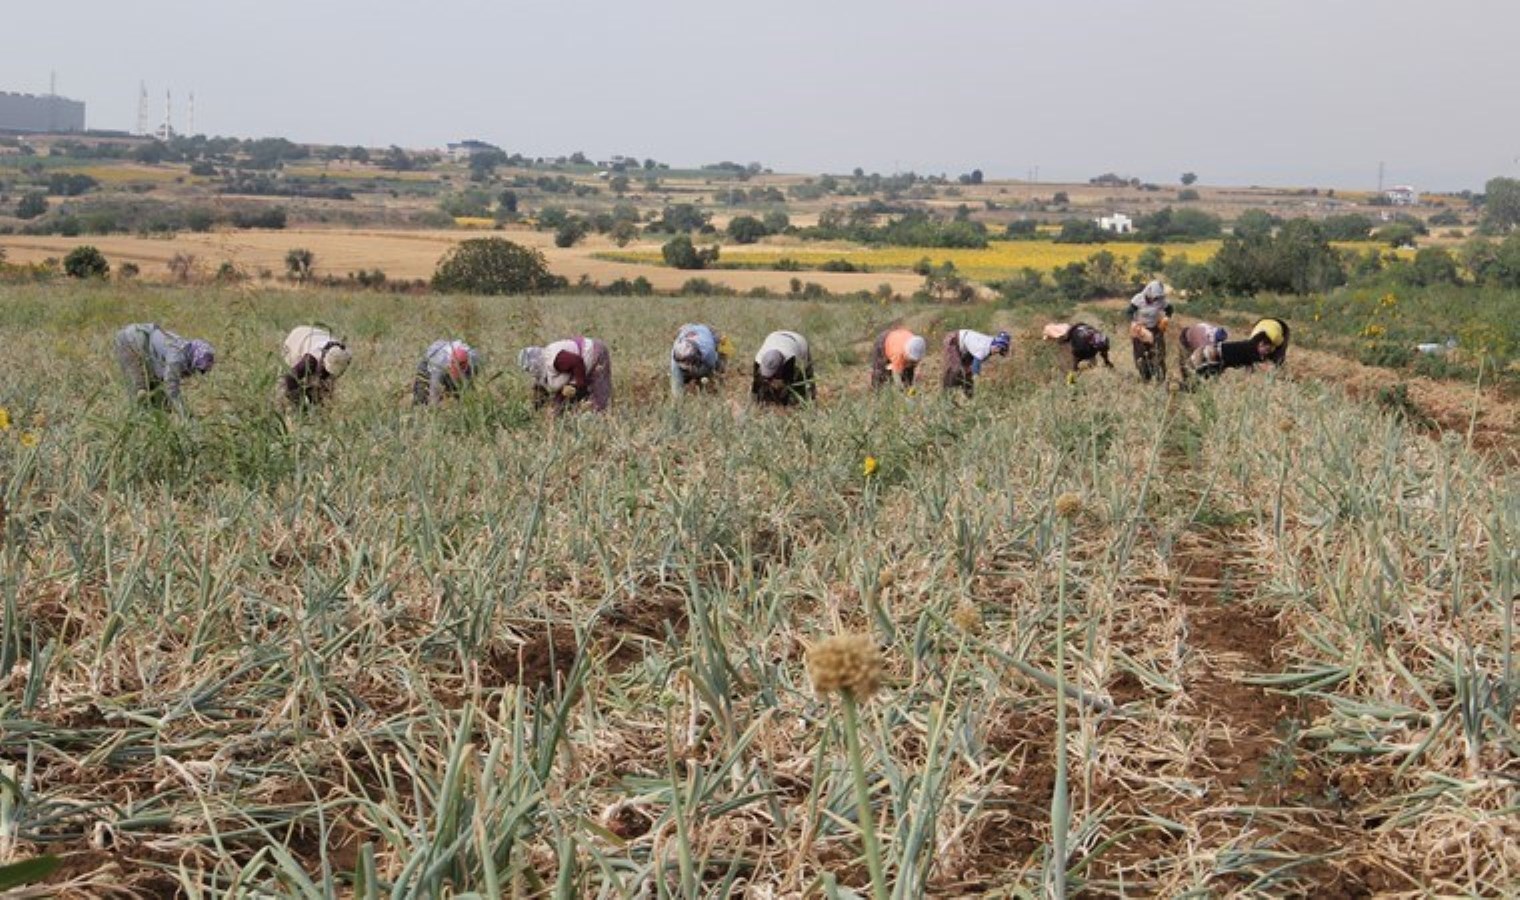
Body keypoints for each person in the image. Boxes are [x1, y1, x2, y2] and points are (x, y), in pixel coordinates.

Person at [112, 323, 215, 415]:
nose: (197, 373)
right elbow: (172, 389)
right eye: (198, 369)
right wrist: (185, 415)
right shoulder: (176, 358)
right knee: (140, 390)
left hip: (146, 345)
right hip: (129, 341)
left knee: (159, 399)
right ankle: (137, 420)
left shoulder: (185, 348)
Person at [518, 335, 613, 412]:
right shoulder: (542, 373)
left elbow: (577, 362)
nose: (530, 371)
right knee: (558, 407)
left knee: (599, 402)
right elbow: (540, 394)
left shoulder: (554, 359)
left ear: (535, 363)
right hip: (579, 367)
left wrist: (578, 387)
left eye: (529, 368)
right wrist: (536, 410)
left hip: (595, 353)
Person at [1184, 319, 1292, 380]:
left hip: (1216, 356)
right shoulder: (1252, 351)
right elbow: (1263, 368)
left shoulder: (1249, 347)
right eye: (1266, 350)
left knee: (1207, 376)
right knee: (1199, 375)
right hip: (1212, 355)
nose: (1266, 354)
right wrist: (1280, 377)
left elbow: (1249, 368)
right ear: (1261, 344)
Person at [281, 325, 352, 407]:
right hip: (296, 340)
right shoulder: (310, 360)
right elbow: (289, 379)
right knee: (287, 391)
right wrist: (301, 404)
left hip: (314, 335)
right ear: (323, 361)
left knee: (321, 388)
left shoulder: (344, 354)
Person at [751, 330, 814, 406]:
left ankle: (808, 402)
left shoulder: (791, 359)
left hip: (798, 341)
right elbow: (756, 384)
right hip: (775, 336)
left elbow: (790, 382)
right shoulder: (759, 358)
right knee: (762, 385)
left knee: (803, 383)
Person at [940, 328, 1010, 396]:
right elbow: (976, 366)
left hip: (964, 345)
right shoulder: (984, 348)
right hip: (953, 340)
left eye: (1001, 351)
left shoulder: (991, 343)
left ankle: (969, 395)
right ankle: (946, 394)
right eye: (999, 349)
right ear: (996, 346)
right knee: (955, 368)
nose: (997, 352)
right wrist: (976, 377)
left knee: (967, 371)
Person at [1128, 280, 1174, 382]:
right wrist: (1133, 322)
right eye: (1154, 296)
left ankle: (1160, 379)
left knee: (1159, 353)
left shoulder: (1161, 300)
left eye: (1157, 297)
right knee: (1141, 354)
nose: (1155, 298)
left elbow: (1170, 309)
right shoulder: (1138, 298)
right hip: (1140, 329)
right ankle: (1145, 378)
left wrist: (1166, 318)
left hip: (1155, 329)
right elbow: (1129, 311)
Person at [413, 339, 479, 406]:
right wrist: (434, 408)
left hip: (462, 364)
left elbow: (471, 379)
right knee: (421, 395)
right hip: (429, 363)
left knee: (466, 395)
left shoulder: (474, 358)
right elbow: (434, 390)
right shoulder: (440, 362)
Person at [670, 323, 727, 397]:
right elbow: (676, 387)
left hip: (708, 331)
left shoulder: (708, 352)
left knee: (720, 366)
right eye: (685, 364)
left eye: (690, 363)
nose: (689, 367)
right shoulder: (675, 358)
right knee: (678, 379)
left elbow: (712, 369)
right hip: (686, 330)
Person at [1045, 322, 1113, 371]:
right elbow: (1076, 357)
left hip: (1082, 327)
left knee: (1092, 363)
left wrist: (1107, 361)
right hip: (1073, 332)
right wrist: (1074, 368)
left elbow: (1104, 352)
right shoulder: (1081, 345)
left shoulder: (1103, 340)